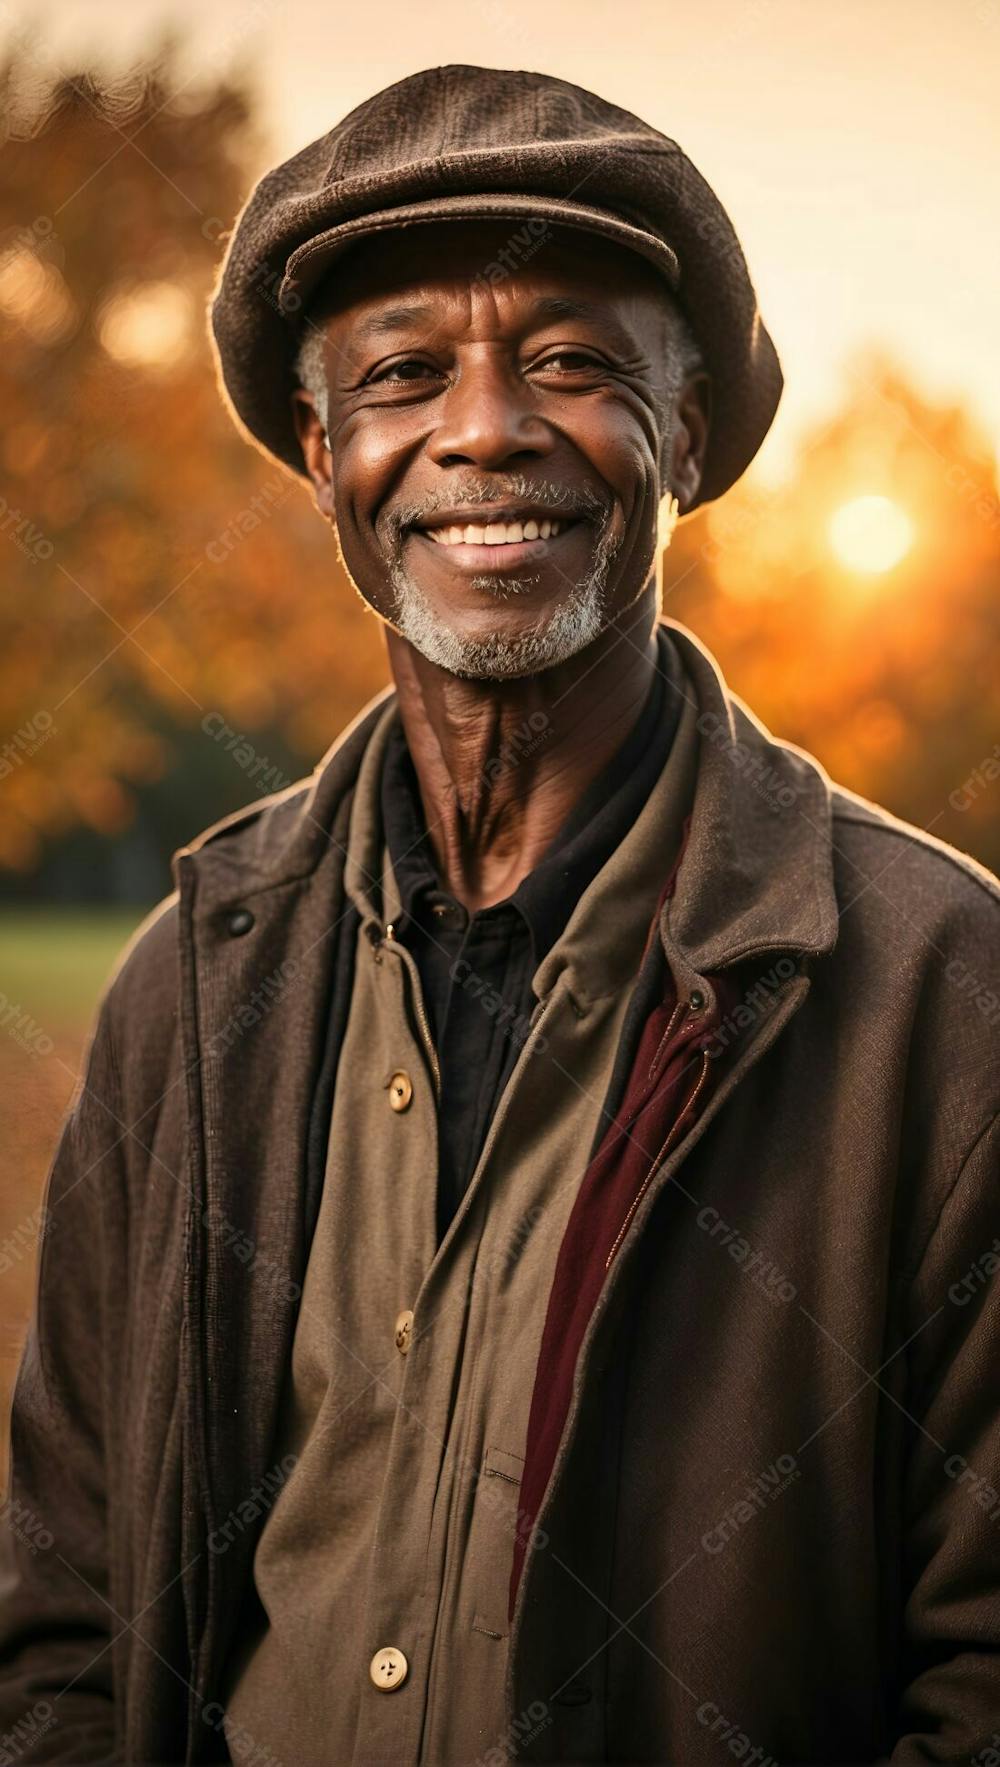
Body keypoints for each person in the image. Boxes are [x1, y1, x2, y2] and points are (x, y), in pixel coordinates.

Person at [1, 63, 998, 1767]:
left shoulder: (940, 990)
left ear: (681, 434)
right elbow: (69, 1622)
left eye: (571, 362)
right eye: (403, 375)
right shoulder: (190, 981)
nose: (484, 428)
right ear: (328, 460)